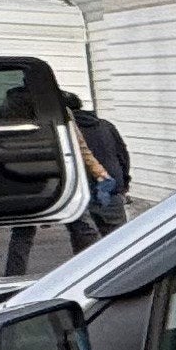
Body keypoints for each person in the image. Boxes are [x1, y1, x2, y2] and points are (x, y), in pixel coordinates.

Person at [65, 97, 132, 250]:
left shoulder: (66, 131)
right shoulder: (106, 126)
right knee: (119, 245)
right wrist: (124, 185)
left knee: (87, 249)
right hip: (110, 190)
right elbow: (123, 156)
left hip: (82, 195)